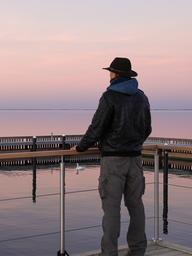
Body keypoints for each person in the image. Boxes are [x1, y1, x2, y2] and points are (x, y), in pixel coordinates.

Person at [73, 57, 151, 256]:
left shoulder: (109, 96)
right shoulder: (141, 97)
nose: (109, 75)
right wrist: (134, 144)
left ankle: (109, 253)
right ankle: (138, 251)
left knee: (111, 210)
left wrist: (81, 148)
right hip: (135, 159)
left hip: (113, 160)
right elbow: (147, 128)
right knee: (136, 206)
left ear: (115, 74)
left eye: (110, 72)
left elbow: (96, 128)